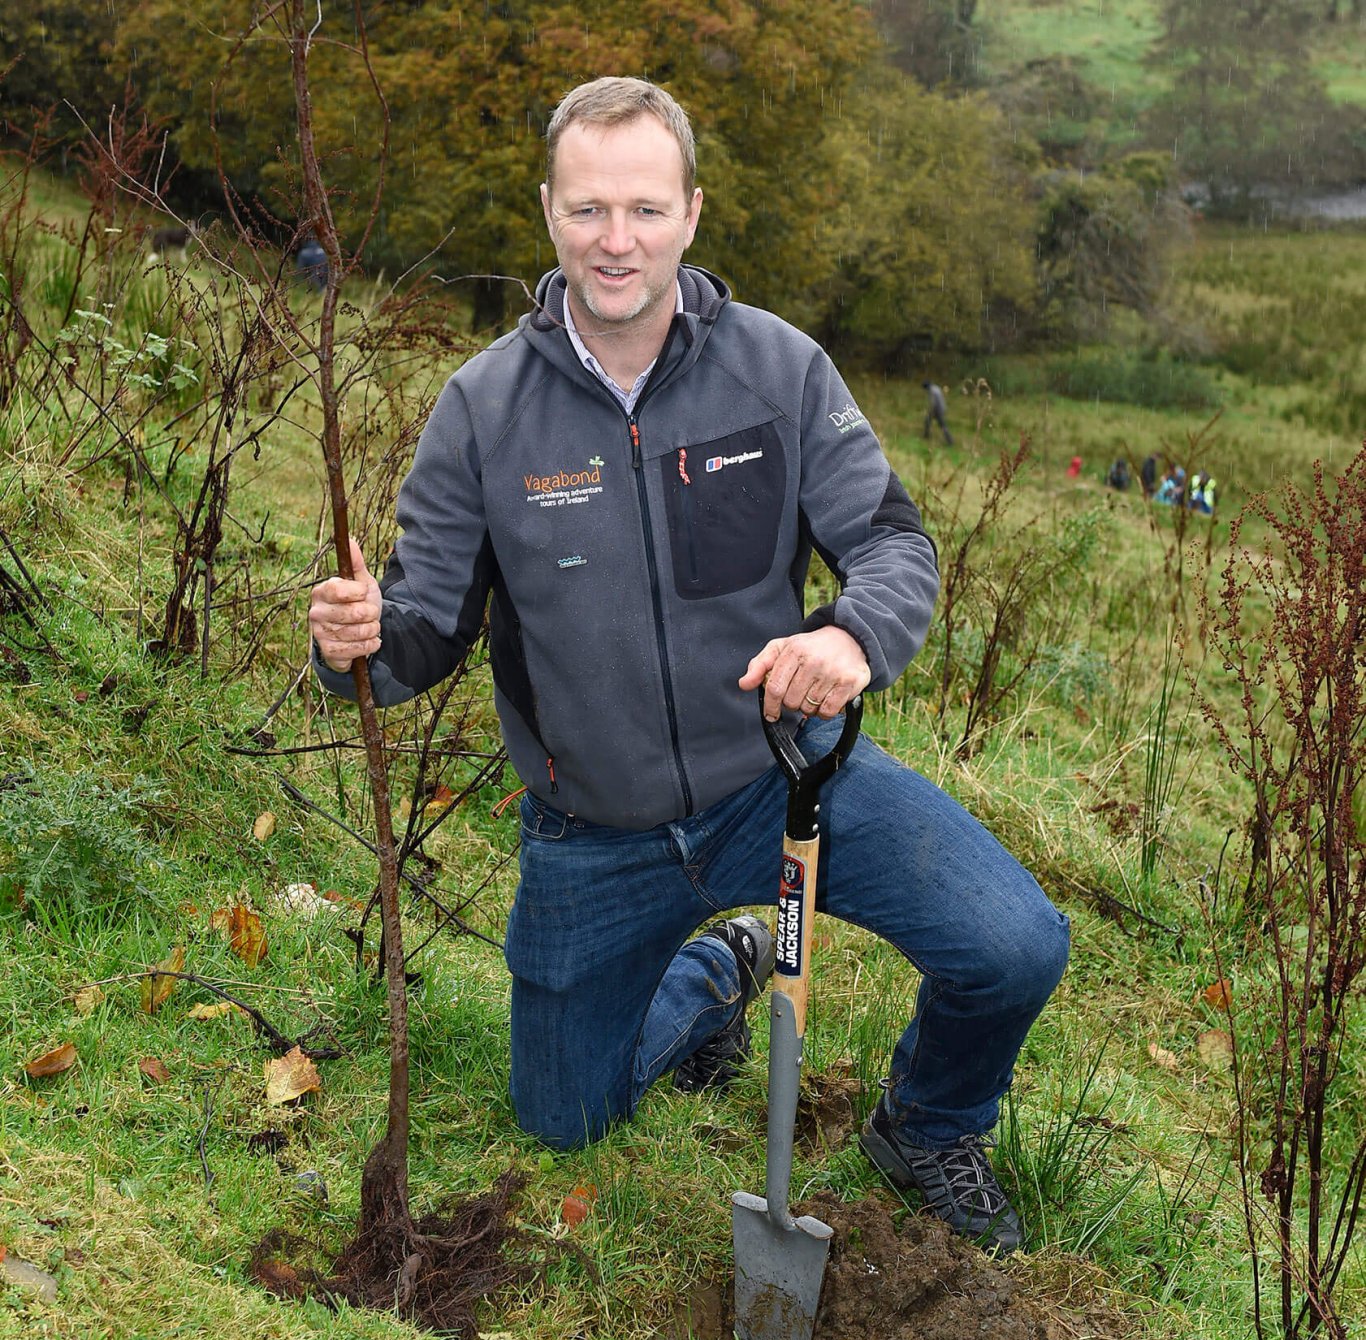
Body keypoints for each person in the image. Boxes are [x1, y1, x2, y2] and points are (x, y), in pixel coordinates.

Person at [309, 77, 1067, 1257]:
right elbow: (417, 631)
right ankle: (717, 973)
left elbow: (893, 541)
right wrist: (351, 640)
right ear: (550, 213)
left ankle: (926, 1123)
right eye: (590, 209)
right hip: (591, 832)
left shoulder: (779, 370)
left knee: (1017, 944)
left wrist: (849, 639)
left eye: (647, 210)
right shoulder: (481, 412)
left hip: (783, 782)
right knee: (564, 1122)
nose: (618, 241)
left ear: (693, 213)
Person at [922, 381, 954, 446]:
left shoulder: (932, 391)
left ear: (927, 387)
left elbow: (933, 403)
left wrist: (930, 411)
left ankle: (950, 440)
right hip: (942, 408)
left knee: (942, 425)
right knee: (928, 421)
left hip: (937, 409)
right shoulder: (936, 388)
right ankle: (926, 435)